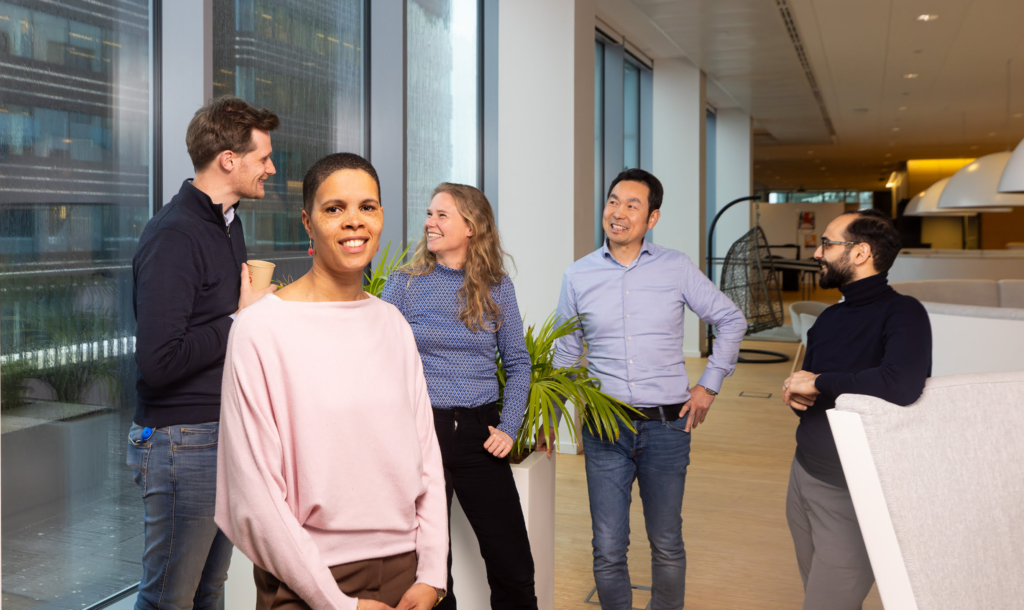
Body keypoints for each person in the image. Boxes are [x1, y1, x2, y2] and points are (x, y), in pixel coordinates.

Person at [216, 153, 448, 610]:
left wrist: (433, 575)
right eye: (334, 208)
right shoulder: (260, 329)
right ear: (308, 221)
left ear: (381, 216)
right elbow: (253, 495)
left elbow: (427, 460)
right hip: (305, 582)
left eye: (367, 207)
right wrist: (339, 604)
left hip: (407, 576)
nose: (354, 221)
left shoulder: (393, 323)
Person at [553, 168, 747, 610]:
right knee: (607, 546)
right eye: (613, 201)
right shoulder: (578, 275)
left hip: (666, 428)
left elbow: (730, 319)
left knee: (666, 541)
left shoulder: (675, 267)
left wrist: (709, 385)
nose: (617, 213)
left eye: (631, 205)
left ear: (652, 217)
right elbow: (566, 353)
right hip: (605, 429)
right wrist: (550, 418)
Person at [128, 95, 279, 610]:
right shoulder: (174, 234)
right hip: (181, 443)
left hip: (218, 434)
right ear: (228, 160)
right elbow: (159, 361)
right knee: (167, 600)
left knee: (208, 592)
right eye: (263, 158)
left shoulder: (228, 223)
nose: (271, 169)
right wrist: (241, 317)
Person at [381, 183, 537, 610]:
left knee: (512, 563)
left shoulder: (497, 287)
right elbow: (378, 355)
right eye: (429, 214)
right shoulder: (403, 284)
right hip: (420, 431)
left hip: (478, 432)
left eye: (442, 215)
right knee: (431, 569)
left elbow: (518, 363)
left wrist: (509, 426)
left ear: (471, 226)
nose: (429, 223)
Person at [782, 208, 931, 610]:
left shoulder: (904, 313)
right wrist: (799, 395)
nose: (817, 253)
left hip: (854, 490)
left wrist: (818, 382)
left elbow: (900, 384)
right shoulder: (829, 318)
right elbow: (816, 393)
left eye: (827, 244)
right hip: (804, 475)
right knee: (818, 593)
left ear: (861, 252)